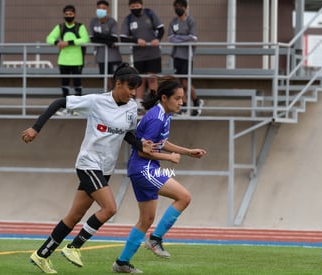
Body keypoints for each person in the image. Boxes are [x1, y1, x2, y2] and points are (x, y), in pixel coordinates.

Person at [22, 63, 156, 274]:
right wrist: (35, 128)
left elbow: (127, 134)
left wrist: (141, 145)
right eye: (130, 88)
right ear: (117, 83)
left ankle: (41, 255)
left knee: (74, 216)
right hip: (88, 164)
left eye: (135, 89)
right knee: (110, 208)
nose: (132, 93)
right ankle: (74, 247)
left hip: (105, 168)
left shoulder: (131, 107)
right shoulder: (96, 101)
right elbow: (58, 102)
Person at [112, 76, 207, 273]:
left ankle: (122, 263)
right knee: (184, 197)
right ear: (164, 98)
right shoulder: (157, 117)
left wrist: (187, 152)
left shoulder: (164, 114)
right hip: (143, 167)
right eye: (178, 98)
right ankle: (155, 239)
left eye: (182, 98)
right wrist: (169, 158)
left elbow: (160, 143)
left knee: (146, 219)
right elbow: (142, 151)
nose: (182, 102)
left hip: (143, 168)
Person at [120, 0, 164, 113]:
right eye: (133, 6)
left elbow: (161, 29)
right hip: (138, 55)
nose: (135, 8)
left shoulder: (150, 14)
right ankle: (139, 104)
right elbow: (123, 38)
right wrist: (136, 40)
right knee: (140, 80)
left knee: (152, 79)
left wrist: (157, 39)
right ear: (129, 7)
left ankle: (153, 103)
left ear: (142, 6)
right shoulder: (128, 19)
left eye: (137, 6)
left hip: (153, 53)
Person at [46, 4, 89, 115]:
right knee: (65, 85)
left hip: (77, 60)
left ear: (74, 14)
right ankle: (66, 107)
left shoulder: (80, 26)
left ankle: (78, 109)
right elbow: (49, 38)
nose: (68, 16)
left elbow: (85, 39)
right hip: (63, 60)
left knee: (77, 85)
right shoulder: (60, 27)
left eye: (70, 14)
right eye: (66, 14)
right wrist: (57, 42)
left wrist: (69, 42)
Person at [168, 0, 204, 116]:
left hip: (187, 56)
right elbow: (171, 38)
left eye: (180, 6)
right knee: (179, 82)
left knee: (185, 82)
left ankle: (196, 100)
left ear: (185, 7)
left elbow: (193, 38)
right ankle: (183, 105)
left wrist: (179, 38)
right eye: (176, 6)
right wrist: (184, 38)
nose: (178, 8)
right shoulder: (173, 22)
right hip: (177, 55)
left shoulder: (190, 21)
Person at [89, 0, 122, 91]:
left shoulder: (112, 22)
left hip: (113, 55)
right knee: (105, 76)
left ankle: (115, 93)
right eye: (99, 8)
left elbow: (114, 38)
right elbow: (92, 38)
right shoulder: (93, 21)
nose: (101, 10)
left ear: (107, 10)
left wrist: (98, 36)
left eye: (103, 8)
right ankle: (109, 94)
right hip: (101, 55)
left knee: (114, 76)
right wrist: (107, 41)